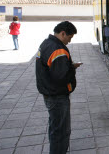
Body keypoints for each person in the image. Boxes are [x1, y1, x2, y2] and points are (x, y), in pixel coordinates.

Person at [36, 21, 82, 154]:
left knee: (55, 128)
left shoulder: (46, 43)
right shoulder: (58, 49)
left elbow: (53, 69)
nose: (69, 41)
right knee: (61, 132)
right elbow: (61, 77)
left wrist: (68, 65)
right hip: (57, 96)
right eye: (69, 37)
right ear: (63, 33)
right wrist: (71, 68)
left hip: (49, 93)